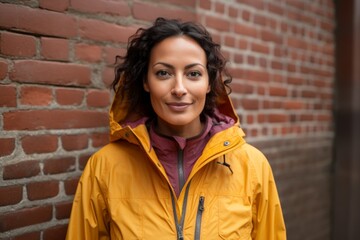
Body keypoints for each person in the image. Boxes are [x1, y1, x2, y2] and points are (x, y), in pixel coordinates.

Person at [66, 17, 286, 240]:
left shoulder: (253, 166)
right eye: (163, 73)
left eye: (193, 74)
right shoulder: (104, 167)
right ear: (145, 81)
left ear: (210, 83)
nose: (179, 89)